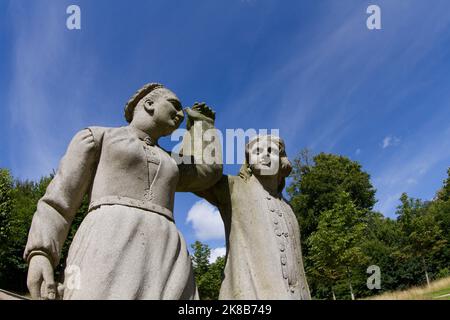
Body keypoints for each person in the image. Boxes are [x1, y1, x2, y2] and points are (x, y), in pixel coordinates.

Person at [24, 83, 222, 300]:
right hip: (107, 239)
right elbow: (59, 201)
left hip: (167, 251)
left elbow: (207, 171)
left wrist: (203, 125)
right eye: (174, 106)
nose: (180, 115)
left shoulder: (170, 162)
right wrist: (41, 253)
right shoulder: (98, 137)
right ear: (149, 104)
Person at [196, 135, 311, 299]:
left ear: (281, 160)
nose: (265, 155)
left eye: (271, 151)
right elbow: (201, 175)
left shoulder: (288, 208)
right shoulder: (233, 188)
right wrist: (203, 128)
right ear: (248, 161)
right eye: (258, 151)